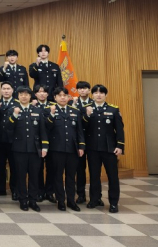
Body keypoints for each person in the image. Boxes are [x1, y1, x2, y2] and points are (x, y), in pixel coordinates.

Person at [6, 86, 48, 212]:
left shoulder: (37, 110)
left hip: (35, 149)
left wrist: (45, 147)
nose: (24, 96)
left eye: (26, 94)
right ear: (18, 96)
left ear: (30, 96)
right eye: (21, 94)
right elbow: (8, 128)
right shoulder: (12, 110)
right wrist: (14, 115)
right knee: (20, 176)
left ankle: (33, 200)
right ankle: (23, 200)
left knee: (34, 176)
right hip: (19, 149)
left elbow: (42, 131)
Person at [83, 84, 124, 213]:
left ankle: (113, 202)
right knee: (94, 176)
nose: (98, 95)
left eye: (101, 93)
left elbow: (119, 129)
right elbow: (82, 128)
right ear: (92, 95)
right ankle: (95, 199)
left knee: (113, 176)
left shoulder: (113, 109)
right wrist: (87, 115)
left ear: (106, 95)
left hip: (109, 148)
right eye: (96, 93)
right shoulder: (87, 109)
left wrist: (120, 146)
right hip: (92, 148)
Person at [47, 87, 85, 212]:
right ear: (55, 98)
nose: (62, 97)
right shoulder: (49, 110)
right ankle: (60, 200)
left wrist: (81, 146)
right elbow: (46, 128)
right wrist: (52, 114)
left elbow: (79, 131)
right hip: (56, 149)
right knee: (57, 176)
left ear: (69, 97)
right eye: (60, 95)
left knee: (71, 176)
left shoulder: (75, 111)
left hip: (72, 149)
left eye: (65, 95)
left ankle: (71, 201)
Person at [0, 82, 20, 199]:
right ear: (1, 90)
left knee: (14, 166)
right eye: (4, 89)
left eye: (8, 88)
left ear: (12, 90)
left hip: (13, 140)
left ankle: (14, 190)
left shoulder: (17, 103)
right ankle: (0, 188)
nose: (6, 91)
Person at [33, 84, 56, 203]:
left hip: (52, 141)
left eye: (44, 92)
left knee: (51, 168)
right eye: (39, 92)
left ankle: (50, 192)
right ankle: (39, 192)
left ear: (48, 94)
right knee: (38, 168)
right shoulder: (32, 106)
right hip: (36, 142)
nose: (42, 94)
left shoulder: (53, 106)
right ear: (35, 94)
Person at [71, 81, 92, 204]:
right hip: (78, 142)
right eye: (80, 88)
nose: (82, 90)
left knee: (94, 170)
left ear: (89, 90)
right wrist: (74, 105)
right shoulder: (72, 103)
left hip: (92, 140)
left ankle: (96, 196)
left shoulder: (94, 103)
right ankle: (81, 194)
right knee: (79, 170)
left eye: (85, 88)